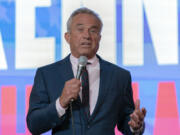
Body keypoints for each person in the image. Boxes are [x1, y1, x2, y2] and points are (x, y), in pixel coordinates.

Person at [26, 7, 146, 135]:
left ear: (99, 38)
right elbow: (34, 124)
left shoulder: (120, 76)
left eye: (93, 31)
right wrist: (61, 103)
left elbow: (126, 121)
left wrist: (135, 126)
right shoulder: (47, 74)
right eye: (80, 29)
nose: (87, 36)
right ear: (68, 37)